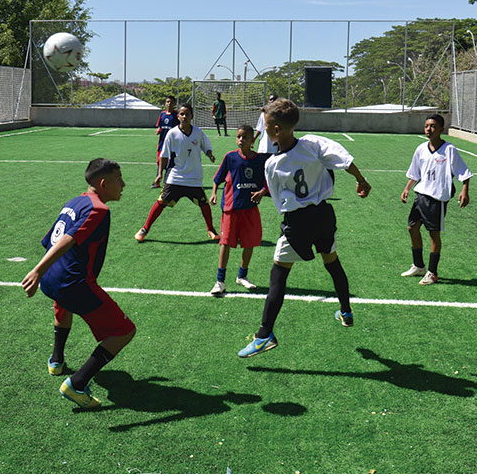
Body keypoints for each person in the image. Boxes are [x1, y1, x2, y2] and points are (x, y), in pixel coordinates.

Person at [237, 98, 372, 359]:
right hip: (324, 216)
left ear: (277, 130)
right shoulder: (312, 143)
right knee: (332, 262)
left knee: (278, 275)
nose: (263, 130)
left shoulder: (272, 164)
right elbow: (343, 159)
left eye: (265, 126)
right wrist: (361, 180)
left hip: (297, 222)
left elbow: (280, 203)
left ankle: (264, 335)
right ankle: (346, 311)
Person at [21, 158, 136, 410]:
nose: (123, 184)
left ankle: (56, 360)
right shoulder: (99, 210)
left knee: (64, 306)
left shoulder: (75, 201)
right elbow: (68, 239)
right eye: (119, 179)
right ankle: (77, 383)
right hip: (71, 281)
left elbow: (50, 239)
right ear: (104, 184)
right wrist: (37, 270)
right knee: (124, 331)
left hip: (53, 278)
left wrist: (43, 272)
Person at [399, 114, 472, 286]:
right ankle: (418, 266)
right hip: (421, 195)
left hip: (437, 198)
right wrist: (407, 188)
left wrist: (464, 191)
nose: (428, 129)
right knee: (412, 228)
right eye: (426, 126)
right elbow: (415, 173)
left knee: (433, 234)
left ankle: (432, 273)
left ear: (441, 129)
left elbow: (464, 172)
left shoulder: (449, 150)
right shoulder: (421, 149)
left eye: (432, 126)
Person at [135, 103, 219, 242]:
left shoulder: (198, 132)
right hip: (175, 177)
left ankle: (210, 229)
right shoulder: (172, 134)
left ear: (192, 116)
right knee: (161, 202)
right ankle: (145, 228)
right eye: (182, 114)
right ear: (178, 116)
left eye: (187, 114)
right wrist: (160, 174)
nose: (184, 116)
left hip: (194, 178)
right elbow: (164, 155)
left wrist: (209, 154)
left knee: (204, 204)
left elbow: (206, 146)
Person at [209, 124, 269, 295]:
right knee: (225, 242)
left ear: (252, 140)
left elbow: (267, 182)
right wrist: (213, 194)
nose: (241, 139)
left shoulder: (259, 160)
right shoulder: (230, 157)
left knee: (249, 243)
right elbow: (217, 178)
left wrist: (262, 191)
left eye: (245, 137)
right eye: (238, 136)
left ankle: (242, 276)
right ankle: (220, 281)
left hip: (249, 208)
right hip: (231, 208)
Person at [151, 95, 178, 188]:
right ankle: (157, 181)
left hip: (172, 144)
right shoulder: (162, 114)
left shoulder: (177, 115)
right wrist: (158, 130)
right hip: (162, 143)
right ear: (165, 103)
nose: (169, 103)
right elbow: (160, 126)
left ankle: (168, 182)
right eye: (167, 102)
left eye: (171, 102)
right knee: (159, 162)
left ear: (174, 104)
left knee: (169, 163)